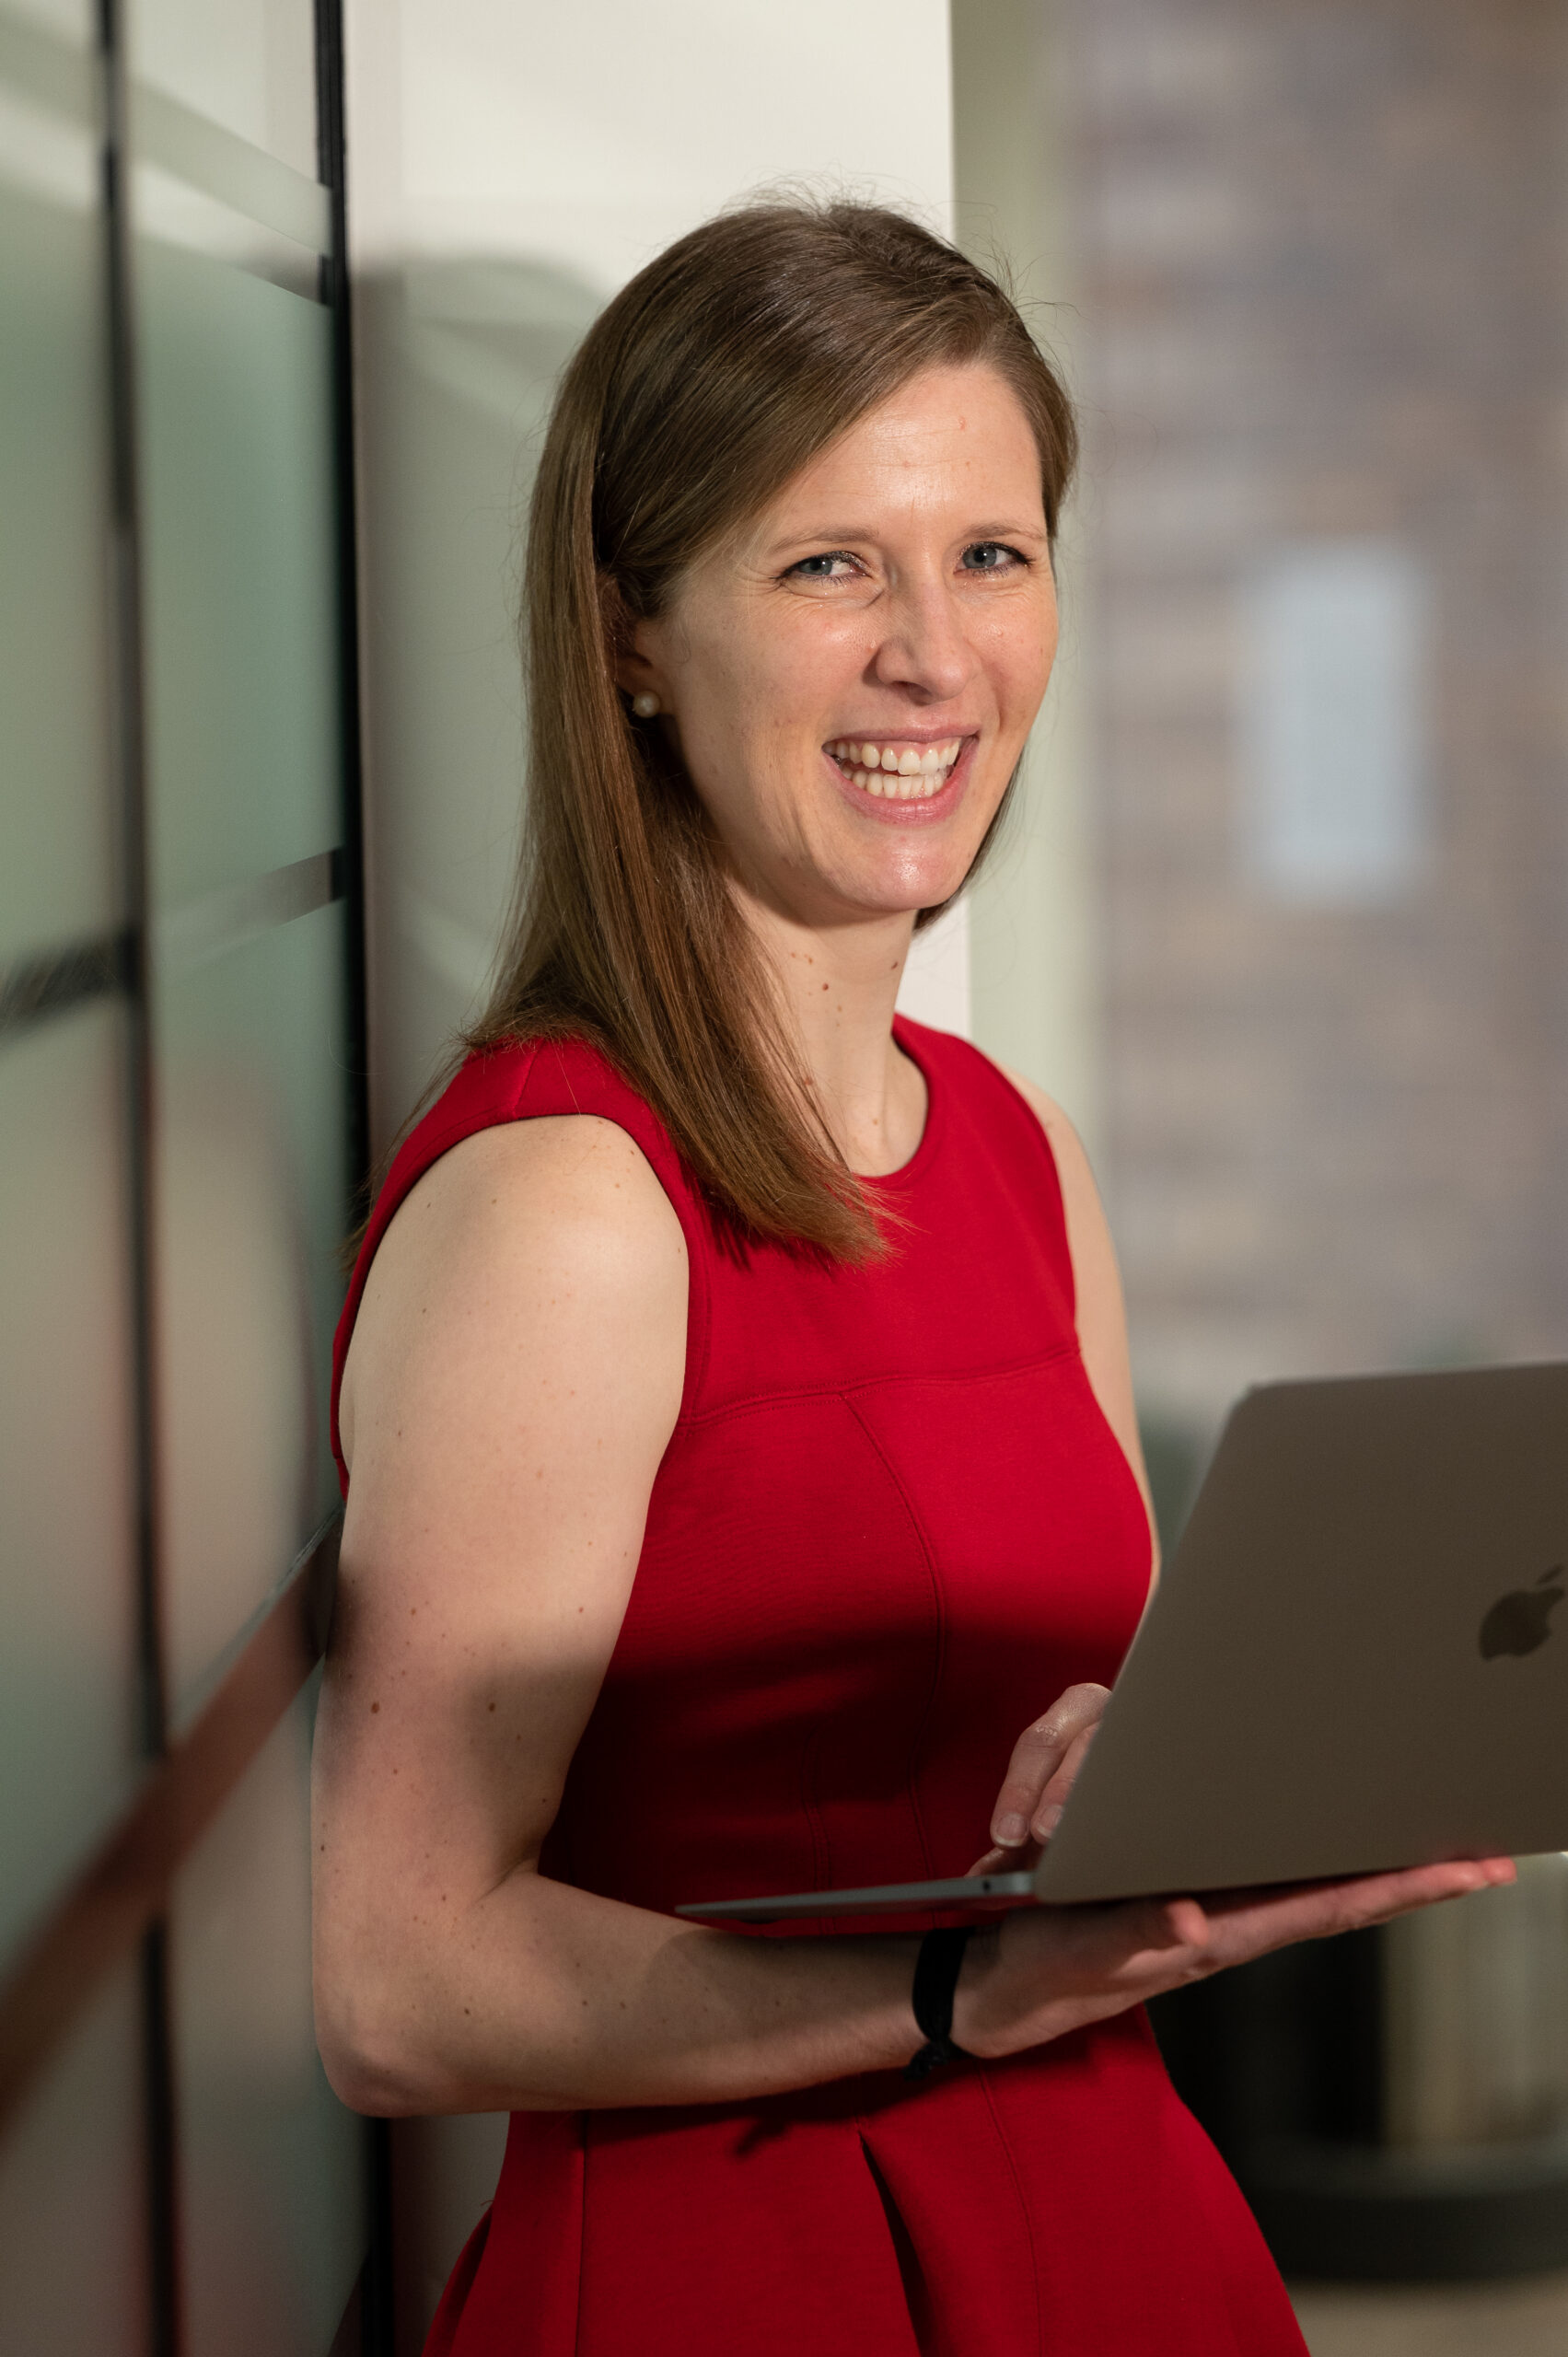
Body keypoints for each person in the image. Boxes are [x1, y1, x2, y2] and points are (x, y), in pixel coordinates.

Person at [311, 201, 1512, 2356]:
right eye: (825, 562)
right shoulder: (571, 1203)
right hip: (753, 2275)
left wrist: (1141, 1770)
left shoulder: (1017, 1152)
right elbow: (396, 1984)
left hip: (1115, 2216)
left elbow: (1034, 1725)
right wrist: (953, 1992)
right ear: (634, 638)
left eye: (992, 552)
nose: (932, 656)